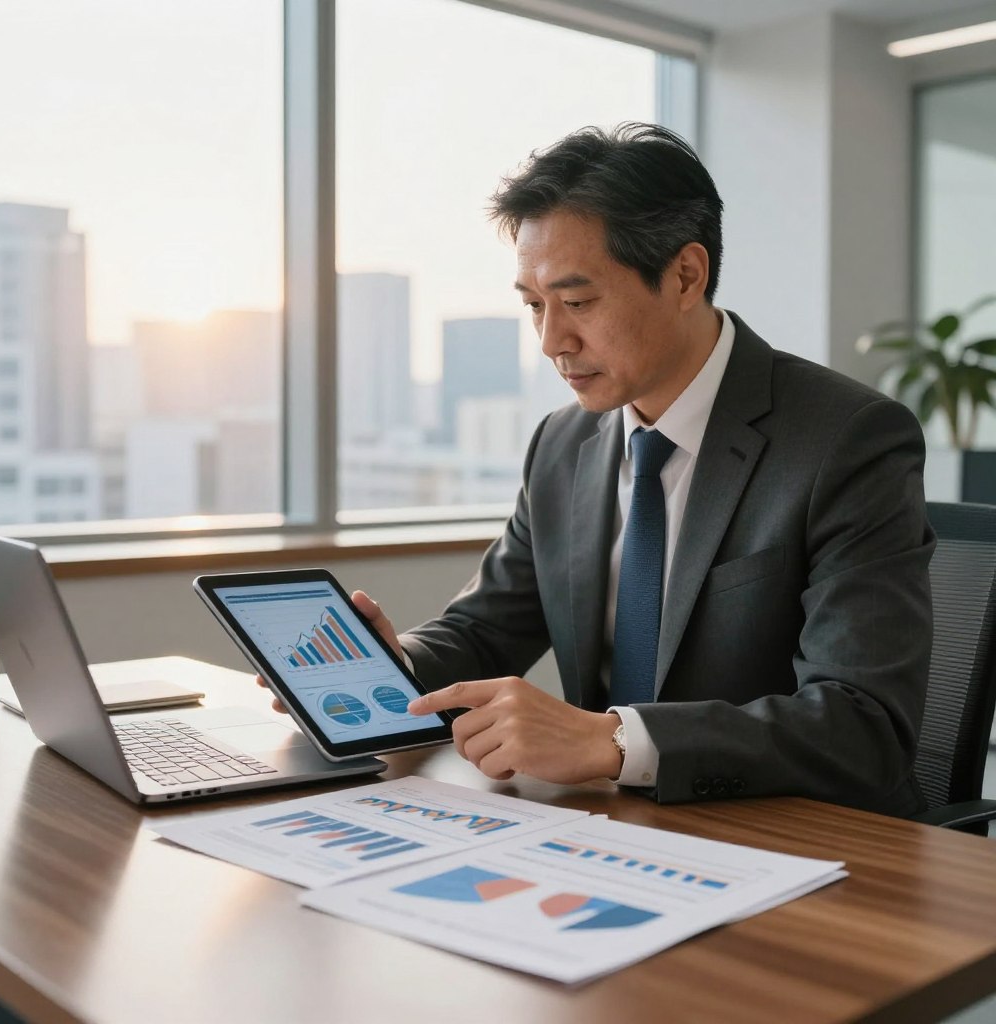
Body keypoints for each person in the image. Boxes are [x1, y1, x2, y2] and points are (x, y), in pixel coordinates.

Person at [266, 123, 935, 815]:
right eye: (533, 305)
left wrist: (616, 742)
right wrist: (389, 666)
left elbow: (864, 724)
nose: (553, 340)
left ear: (685, 275)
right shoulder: (563, 443)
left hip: (810, 843)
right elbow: (489, 628)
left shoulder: (847, 440)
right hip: (613, 830)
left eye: (579, 302)